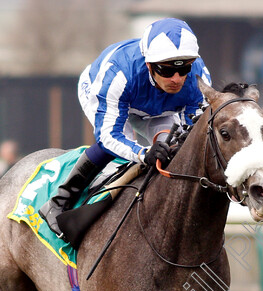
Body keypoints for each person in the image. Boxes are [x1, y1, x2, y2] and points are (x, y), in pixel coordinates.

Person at [40, 17, 212, 237]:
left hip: (159, 109)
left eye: (184, 68)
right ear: (149, 65)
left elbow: (194, 131)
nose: (177, 79)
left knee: (171, 148)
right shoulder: (118, 74)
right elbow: (108, 136)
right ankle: (60, 200)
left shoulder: (198, 77)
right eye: (167, 71)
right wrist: (143, 153)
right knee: (121, 149)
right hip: (108, 93)